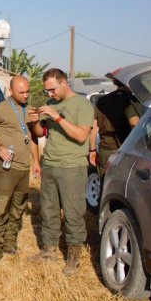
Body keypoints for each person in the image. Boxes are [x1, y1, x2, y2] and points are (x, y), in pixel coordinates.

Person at [30, 68, 94, 276]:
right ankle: (49, 249)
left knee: (74, 212)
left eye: (51, 89)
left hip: (72, 167)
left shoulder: (82, 105)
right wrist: (34, 121)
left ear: (63, 82)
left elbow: (81, 136)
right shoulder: (50, 104)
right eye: (46, 91)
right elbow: (40, 133)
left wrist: (57, 118)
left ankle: (74, 257)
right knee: (48, 209)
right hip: (50, 163)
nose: (49, 94)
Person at [0, 75, 41, 267]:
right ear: (11, 91)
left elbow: (31, 137)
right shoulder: (0, 109)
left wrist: (36, 161)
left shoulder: (30, 110)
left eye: (27, 91)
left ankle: (9, 243)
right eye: (21, 92)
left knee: (18, 209)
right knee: (0, 208)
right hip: (5, 168)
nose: (25, 95)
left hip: (23, 167)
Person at [90, 77, 142, 177]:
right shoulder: (131, 101)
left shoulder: (102, 101)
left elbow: (93, 126)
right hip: (125, 150)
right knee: (121, 185)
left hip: (105, 149)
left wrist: (92, 149)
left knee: (105, 183)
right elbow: (134, 124)